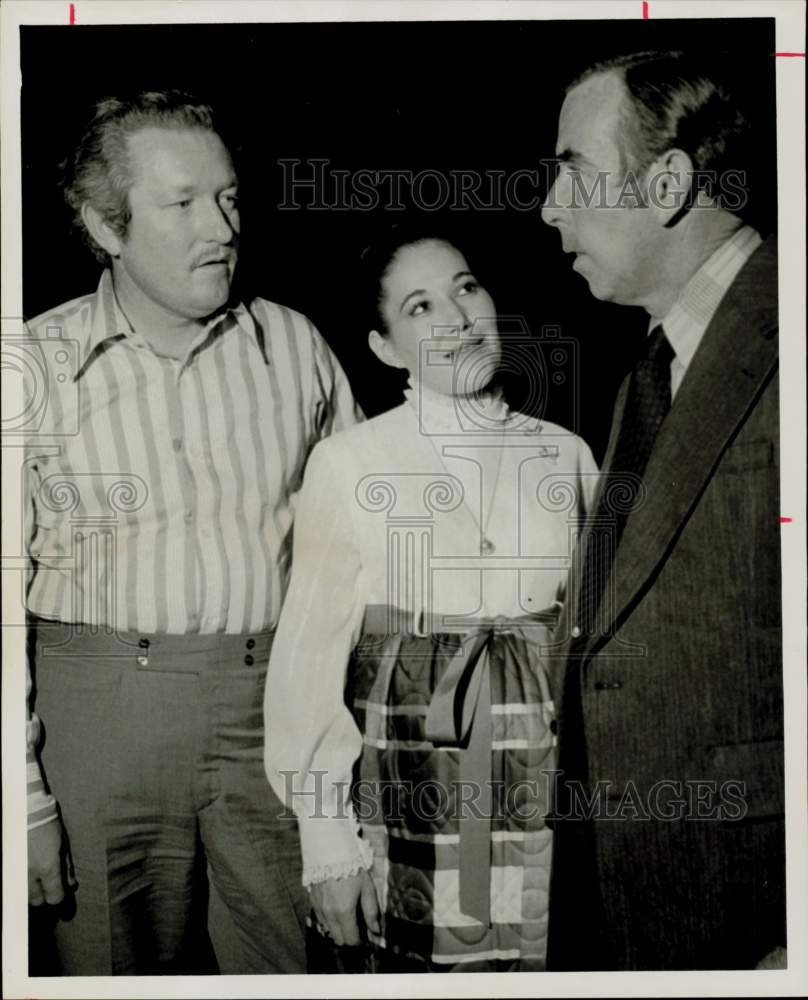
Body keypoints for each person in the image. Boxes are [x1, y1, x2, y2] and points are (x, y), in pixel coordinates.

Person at [24, 90, 359, 975]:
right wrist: (21, 806)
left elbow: (358, 565)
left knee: (292, 966)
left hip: (271, 714)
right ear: (106, 223)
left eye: (229, 197)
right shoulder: (32, 367)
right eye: (182, 203)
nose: (222, 225)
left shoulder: (296, 348)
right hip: (96, 722)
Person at [264, 227, 599, 972]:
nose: (455, 315)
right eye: (420, 307)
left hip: (549, 794)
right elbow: (307, 663)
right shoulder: (349, 462)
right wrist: (328, 845)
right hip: (415, 787)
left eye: (466, 287)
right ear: (385, 348)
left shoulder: (568, 453)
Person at [540, 51, 784, 970]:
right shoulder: (655, 367)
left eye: (571, 169)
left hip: (746, 911)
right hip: (630, 892)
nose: (549, 206)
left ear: (671, 181)